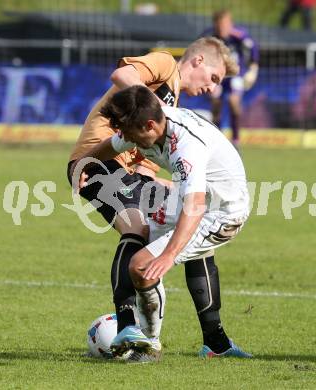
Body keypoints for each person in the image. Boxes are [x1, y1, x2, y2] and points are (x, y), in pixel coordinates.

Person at [68, 37, 239, 356]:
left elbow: (146, 169)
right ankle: (126, 325)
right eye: (214, 78)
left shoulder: (170, 114)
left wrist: (176, 189)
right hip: (96, 162)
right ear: (199, 61)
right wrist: (155, 108)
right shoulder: (165, 64)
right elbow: (122, 75)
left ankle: (215, 342)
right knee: (136, 227)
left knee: (194, 234)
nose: (213, 88)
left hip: (127, 172)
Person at [202, 9, 259, 149]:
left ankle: (236, 139)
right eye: (220, 25)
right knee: (216, 104)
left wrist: (253, 68)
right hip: (216, 77)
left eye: (226, 24)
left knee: (234, 102)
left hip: (235, 75)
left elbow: (253, 48)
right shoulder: (208, 36)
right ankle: (218, 139)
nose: (223, 28)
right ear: (215, 24)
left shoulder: (239, 35)